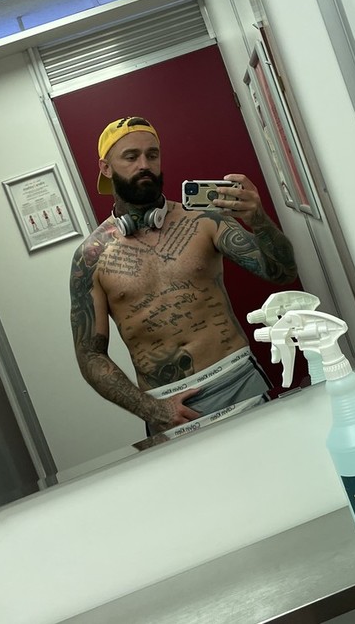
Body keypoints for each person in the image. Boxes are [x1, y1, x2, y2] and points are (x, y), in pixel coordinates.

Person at [69, 116, 298, 437]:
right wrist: (153, 409)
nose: (144, 165)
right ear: (106, 168)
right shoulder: (91, 257)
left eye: (152, 154)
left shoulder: (205, 220)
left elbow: (282, 273)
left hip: (238, 380)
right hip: (166, 409)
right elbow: (89, 355)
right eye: (131, 156)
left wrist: (258, 219)